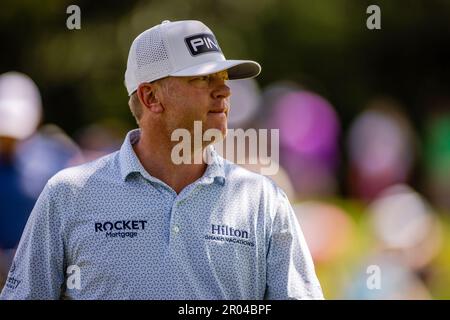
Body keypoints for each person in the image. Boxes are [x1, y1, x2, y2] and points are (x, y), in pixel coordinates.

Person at [0, 20, 323, 299]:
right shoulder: (69, 194)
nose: (224, 91)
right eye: (202, 79)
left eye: (223, 78)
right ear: (150, 97)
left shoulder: (262, 199)